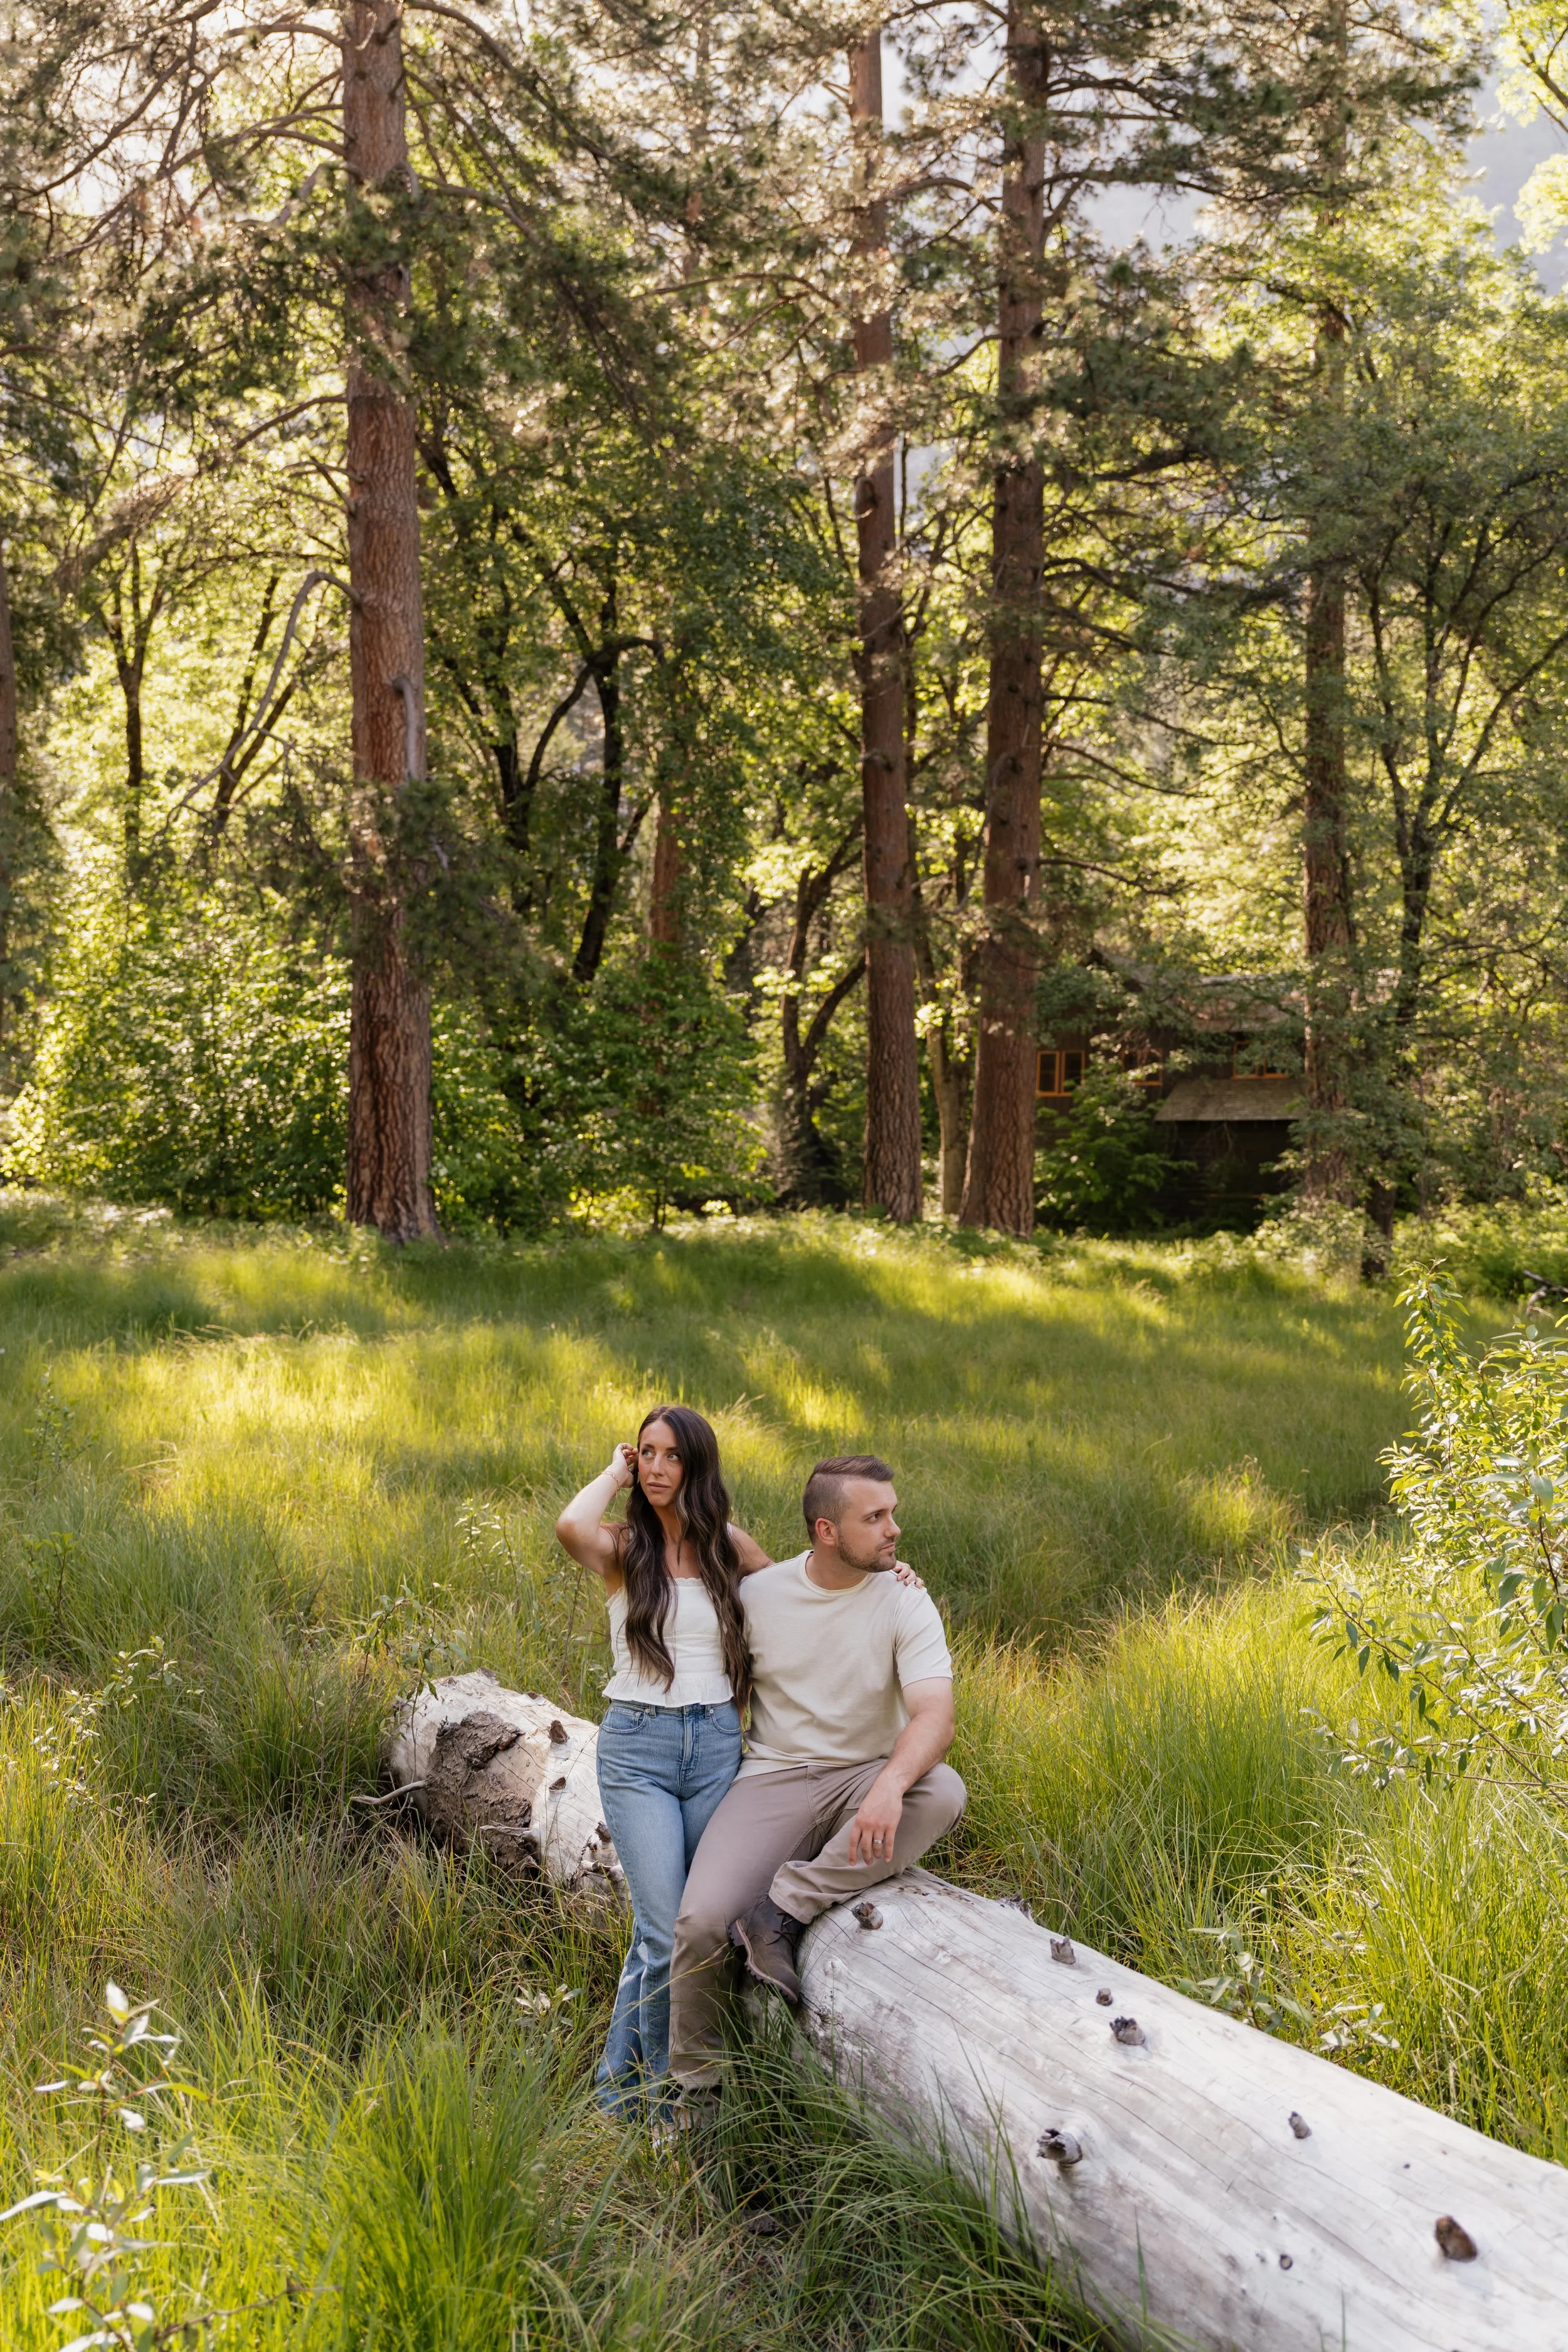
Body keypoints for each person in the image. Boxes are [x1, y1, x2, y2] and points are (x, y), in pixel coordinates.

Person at [666, 1453, 964, 2108]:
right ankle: (697, 2094)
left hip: (864, 1777)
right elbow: (705, 1551)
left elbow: (935, 1716)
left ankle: (785, 1908)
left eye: (893, 1514)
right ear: (826, 1531)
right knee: (699, 1921)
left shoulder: (905, 1600)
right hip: (773, 1779)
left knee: (942, 1789)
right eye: (875, 1517)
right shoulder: (759, 1595)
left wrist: (889, 1786)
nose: (894, 1530)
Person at [554, 1404, 765, 2117]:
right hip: (637, 1748)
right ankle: (659, 2102)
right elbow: (568, 1527)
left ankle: (620, 2091)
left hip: (713, 1746)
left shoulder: (725, 1545)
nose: (654, 1467)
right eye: (645, 1453)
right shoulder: (621, 1546)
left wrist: (893, 1577)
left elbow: (793, 1594)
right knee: (662, 1925)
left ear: (696, 1465)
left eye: (670, 1455)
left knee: (697, 1925)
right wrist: (611, 1475)